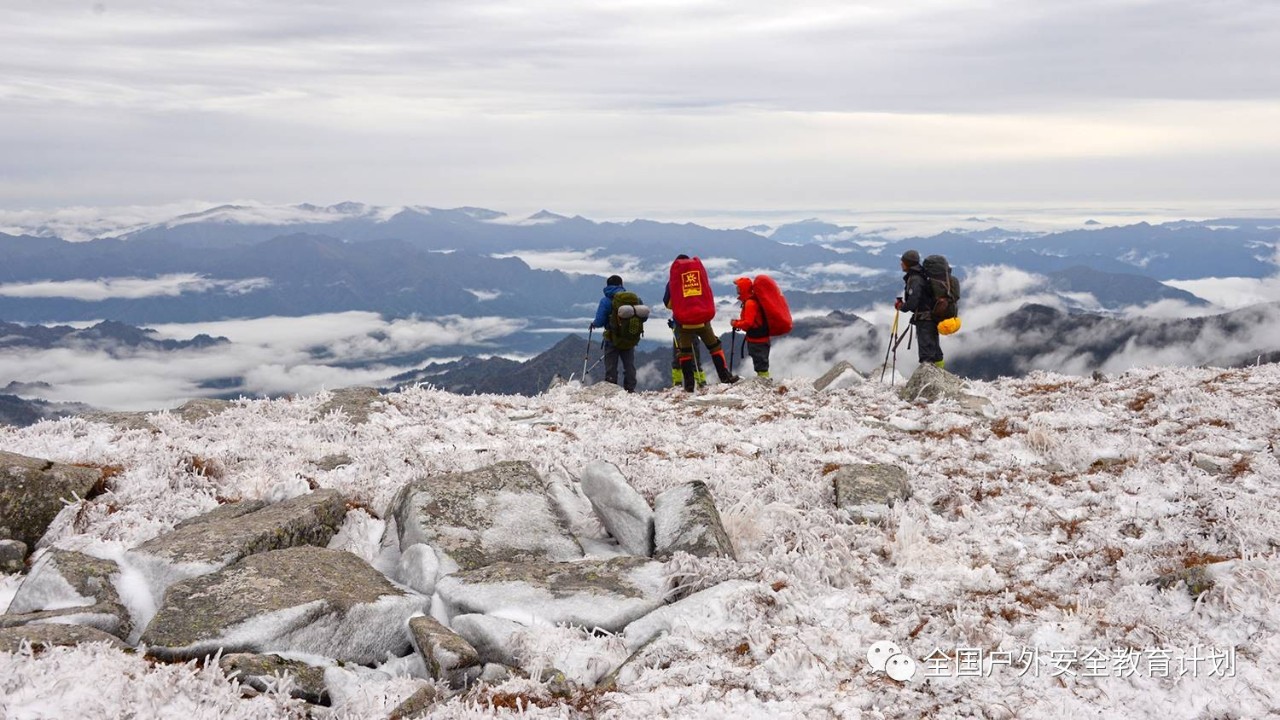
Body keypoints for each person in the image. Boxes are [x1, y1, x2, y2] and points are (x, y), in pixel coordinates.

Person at [664, 255, 738, 391]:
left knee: (685, 352)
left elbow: (668, 303)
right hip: (703, 321)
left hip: (684, 323)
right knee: (714, 346)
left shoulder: (673, 282)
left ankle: (690, 385)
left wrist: (682, 307)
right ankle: (725, 377)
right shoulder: (699, 277)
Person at [895, 250, 944, 368]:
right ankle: (940, 377)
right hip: (932, 318)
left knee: (927, 353)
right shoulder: (921, 275)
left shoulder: (915, 279)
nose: (901, 264)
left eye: (903, 261)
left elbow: (912, 303)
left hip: (925, 320)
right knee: (935, 351)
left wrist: (901, 306)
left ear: (908, 263)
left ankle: (930, 379)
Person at [590, 274, 638, 392]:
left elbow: (600, 321)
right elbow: (643, 317)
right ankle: (630, 389)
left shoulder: (606, 300)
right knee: (629, 365)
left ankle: (612, 390)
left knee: (611, 366)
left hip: (612, 338)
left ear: (607, 286)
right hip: (629, 337)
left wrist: (594, 324)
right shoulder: (633, 299)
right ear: (621, 284)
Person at [729, 277, 770, 378]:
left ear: (743, 288)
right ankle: (763, 379)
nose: (737, 290)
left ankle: (764, 381)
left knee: (760, 363)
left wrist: (735, 324)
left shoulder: (750, 303)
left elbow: (748, 323)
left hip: (757, 340)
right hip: (760, 338)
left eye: (738, 287)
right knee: (760, 361)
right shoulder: (750, 300)